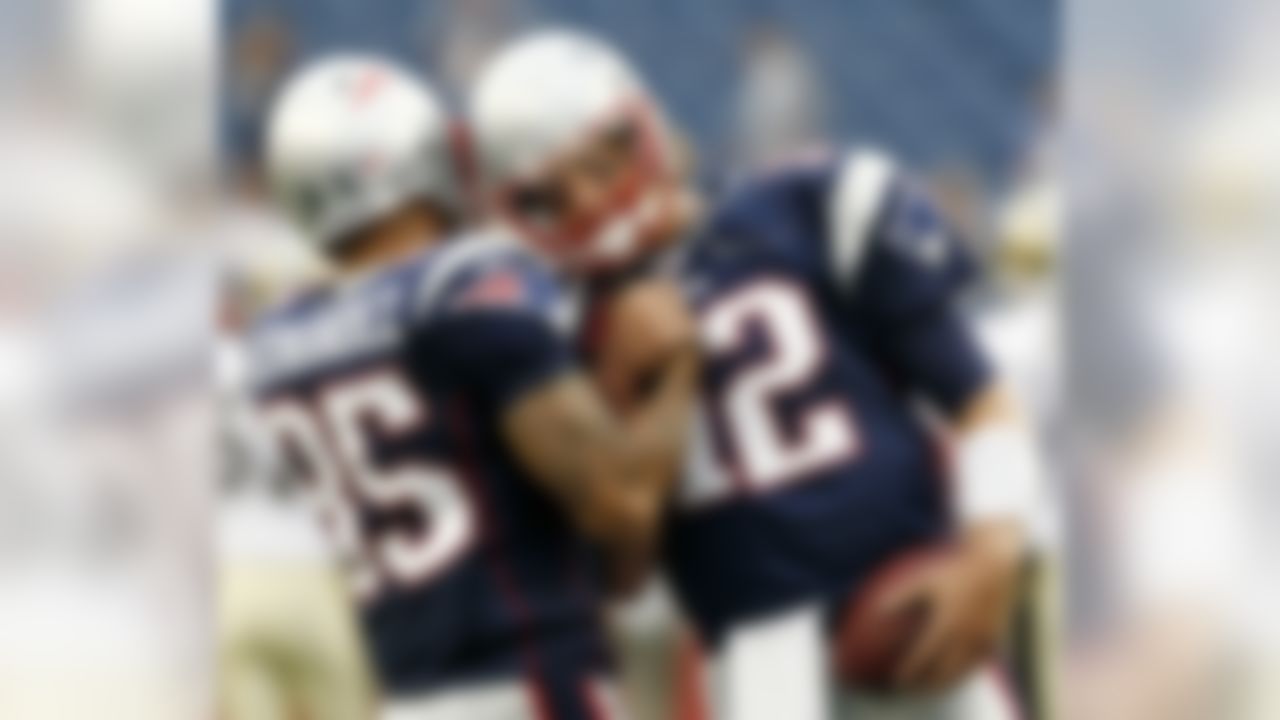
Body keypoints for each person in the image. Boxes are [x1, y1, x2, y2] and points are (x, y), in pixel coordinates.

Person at [469, 30, 1046, 719]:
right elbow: (620, 573)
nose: (590, 202)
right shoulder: (554, 339)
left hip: (912, 602)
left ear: (643, 130)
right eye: (548, 198)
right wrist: (628, 385)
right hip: (753, 664)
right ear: (516, 215)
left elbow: (980, 399)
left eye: (601, 161)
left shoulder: (807, 205)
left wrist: (991, 553)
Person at [251, 54, 699, 719]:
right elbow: (622, 507)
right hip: (531, 680)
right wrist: (679, 368)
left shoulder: (278, 339)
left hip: (406, 691)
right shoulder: (464, 283)